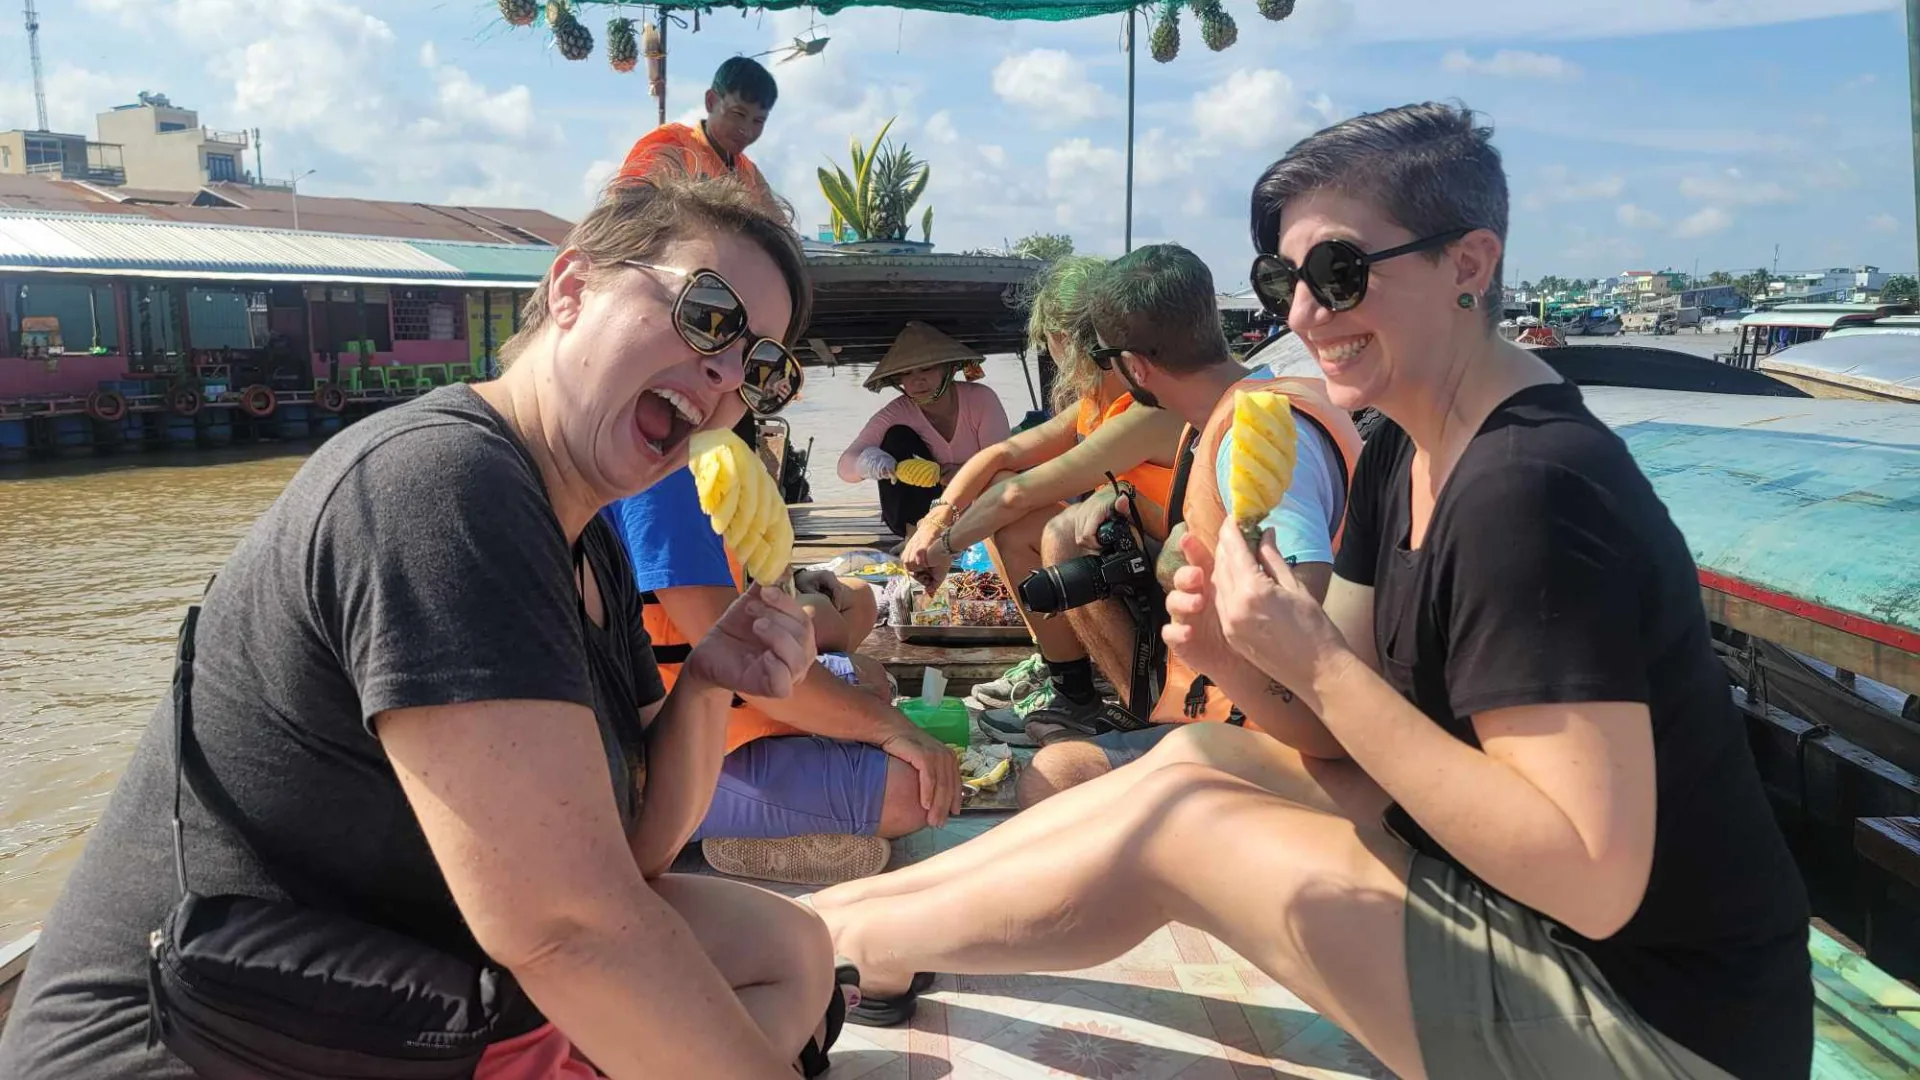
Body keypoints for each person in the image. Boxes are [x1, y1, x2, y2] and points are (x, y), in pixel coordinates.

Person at [809, 104, 1812, 1080]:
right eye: (1282, 281)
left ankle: (822, 950)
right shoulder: (1399, 456)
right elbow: (1332, 737)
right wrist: (1241, 657)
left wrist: (1318, 666)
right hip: (1499, 905)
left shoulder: (1530, 490)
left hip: (1643, 1025)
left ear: (1470, 264)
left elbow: (1585, 876)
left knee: (1186, 831)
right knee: (1190, 763)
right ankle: (839, 934)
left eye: (1337, 275)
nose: (1298, 315)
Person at [0, 176, 858, 1080]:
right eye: (706, 314)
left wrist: (708, 684)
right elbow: (567, 927)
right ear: (572, 288)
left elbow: (636, 853)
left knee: (789, 954)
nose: (727, 376)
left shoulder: (588, 540)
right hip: (214, 1037)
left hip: (392, 983)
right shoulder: (444, 486)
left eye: (763, 366)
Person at [998, 243, 1355, 757]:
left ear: (1135, 367)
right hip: (1230, 706)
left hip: (1275, 733)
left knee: (1058, 770)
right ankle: (1152, 719)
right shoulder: (1236, 411)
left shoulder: (1254, 434)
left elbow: (1301, 594)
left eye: (1105, 359)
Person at [604, 416, 964, 887]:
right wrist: (895, 731)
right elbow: (744, 664)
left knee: (871, 680)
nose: (734, 380)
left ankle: (770, 806)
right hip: (660, 750)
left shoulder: (699, 458)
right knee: (915, 791)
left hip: (712, 706)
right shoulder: (662, 478)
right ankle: (722, 827)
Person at [900, 256, 1183, 739]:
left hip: (1163, 585)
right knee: (1004, 514)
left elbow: (1016, 494)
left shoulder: (1145, 410)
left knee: (1044, 526)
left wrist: (944, 550)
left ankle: (1127, 705)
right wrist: (935, 521)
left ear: (1066, 339)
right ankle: (1068, 683)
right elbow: (1000, 455)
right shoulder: (1094, 405)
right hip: (1129, 566)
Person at [837, 321, 1011, 537]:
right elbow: (844, 466)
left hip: (979, 507)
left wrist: (963, 473)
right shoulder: (897, 412)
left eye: (927, 369)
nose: (918, 379)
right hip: (920, 517)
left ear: (949, 368)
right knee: (897, 437)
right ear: (899, 380)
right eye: (907, 373)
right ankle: (914, 536)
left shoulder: (981, 399)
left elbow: (1002, 461)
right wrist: (870, 464)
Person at [618, 56, 777, 205]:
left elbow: (779, 229)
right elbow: (629, 218)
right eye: (738, 114)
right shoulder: (672, 148)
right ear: (711, 101)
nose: (746, 131)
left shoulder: (750, 174)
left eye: (758, 121)